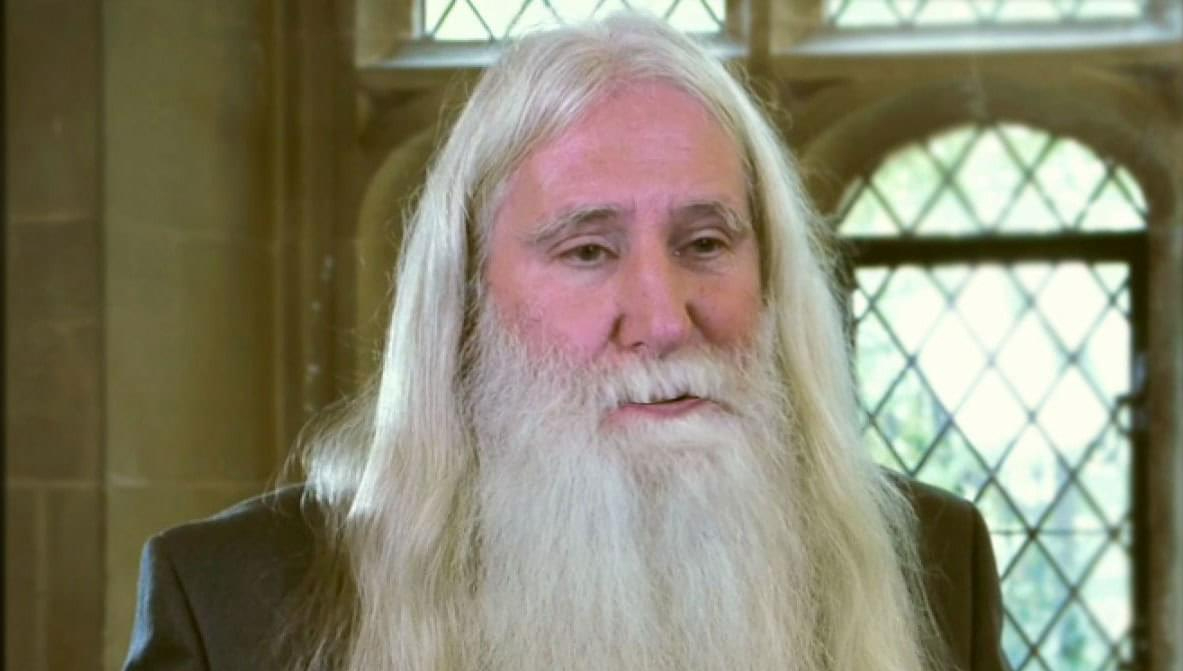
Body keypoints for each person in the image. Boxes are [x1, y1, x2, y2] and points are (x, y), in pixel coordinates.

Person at [124, 13, 1009, 671]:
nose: (663, 318)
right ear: (465, 300)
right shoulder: (231, 602)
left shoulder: (935, 561)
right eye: (587, 250)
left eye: (706, 243)